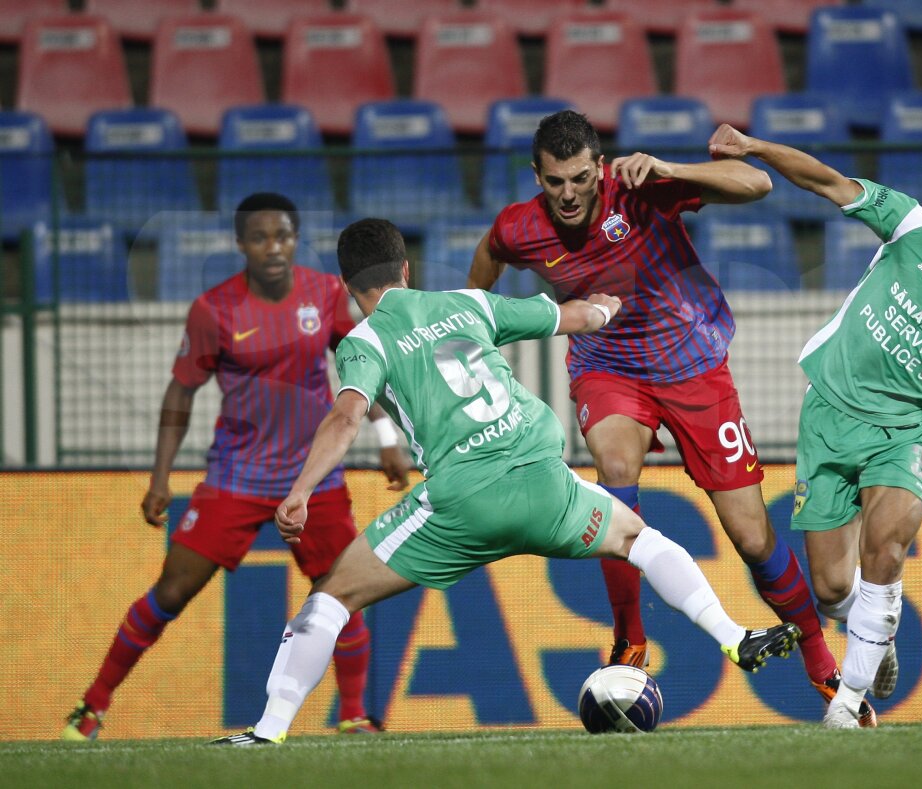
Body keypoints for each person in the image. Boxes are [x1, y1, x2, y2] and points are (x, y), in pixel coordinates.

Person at [209, 218, 800, 745]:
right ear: (407, 269)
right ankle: (732, 635)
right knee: (643, 540)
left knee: (332, 597)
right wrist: (605, 308)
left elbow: (345, 417)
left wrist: (301, 489)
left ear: (345, 285)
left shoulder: (364, 341)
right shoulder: (470, 304)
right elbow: (573, 317)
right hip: (543, 481)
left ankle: (268, 732)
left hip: (459, 503)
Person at [467, 110, 874, 725]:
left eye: (580, 178)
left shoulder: (639, 188)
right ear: (537, 177)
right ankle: (629, 639)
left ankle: (820, 661)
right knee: (614, 473)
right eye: (556, 183)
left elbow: (757, 185)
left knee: (753, 537)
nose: (570, 194)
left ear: (599, 167)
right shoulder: (519, 227)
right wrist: (480, 336)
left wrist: (668, 167)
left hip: (693, 368)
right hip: (607, 369)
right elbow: (487, 260)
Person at [706, 124, 922, 728]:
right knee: (835, 588)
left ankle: (847, 704)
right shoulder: (917, 228)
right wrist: (756, 148)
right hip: (829, 413)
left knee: (886, 548)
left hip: (902, 434)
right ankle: (876, 632)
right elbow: (828, 183)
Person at [63, 193, 410, 741]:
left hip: (311, 477)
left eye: (284, 236)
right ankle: (91, 706)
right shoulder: (214, 310)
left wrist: (387, 435)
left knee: (341, 590)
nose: (273, 247)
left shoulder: (322, 296)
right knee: (171, 592)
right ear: (241, 243)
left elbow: (368, 362)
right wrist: (159, 479)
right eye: (261, 237)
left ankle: (353, 715)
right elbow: (180, 393)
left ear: (296, 240)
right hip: (236, 476)